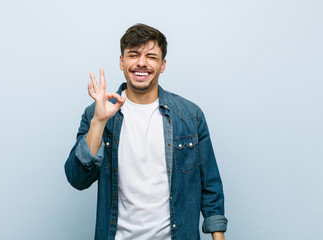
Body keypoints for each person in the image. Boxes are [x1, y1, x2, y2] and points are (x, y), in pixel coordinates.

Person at [65, 23, 228, 240]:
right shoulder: (96, 114)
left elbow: (211, 187)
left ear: (162, 65)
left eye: (151, 56)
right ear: (121, 62)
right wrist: (99, 122)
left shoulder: (190, 116)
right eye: (133, 55)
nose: (142, 63)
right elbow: (77, 179)